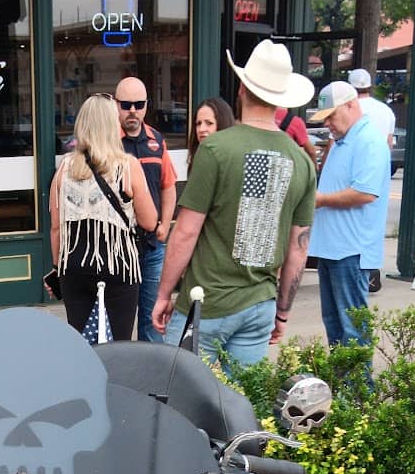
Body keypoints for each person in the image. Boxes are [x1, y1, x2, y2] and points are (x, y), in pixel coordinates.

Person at [151, 42, 315, 366]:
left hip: (207, 302)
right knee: (241, 396)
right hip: (260, 305)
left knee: (182, 391)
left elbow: (185, 233)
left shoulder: (215, 149)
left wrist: (163, 294)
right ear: (281, 98)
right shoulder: (302, 162)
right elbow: (298, 249)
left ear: (241, 88)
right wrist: (282, 312)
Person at [49, 93, 156, 342]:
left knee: (82, 346)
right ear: (112, 125)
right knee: (118, 346)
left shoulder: (64, 167)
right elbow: (149, 221)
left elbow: (56, 228)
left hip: (75, 267)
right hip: (118, 266)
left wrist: (57, 268)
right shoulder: (128, 166)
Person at [307, 80, 390, 347]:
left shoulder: (369, 141)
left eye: (331, 116)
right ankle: (342, 375)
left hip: (351, 251)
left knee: (353, 333)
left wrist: (320, 200)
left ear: (351, 105)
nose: (327, 123)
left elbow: (365, 193)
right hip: (333, 248)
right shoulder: (342, 141)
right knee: (335, 328)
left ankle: (356, 377)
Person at [115, 76, 177, 342]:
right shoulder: (107, 142)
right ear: (115, 104)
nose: (132, 111)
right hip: (118, 249)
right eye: (126, 104)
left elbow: (169, 186)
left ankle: (150, 370)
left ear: (146, 106)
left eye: (138, 105)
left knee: (153, 322)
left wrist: (165, 225)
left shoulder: (156, 140)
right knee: (118, 323)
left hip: (151, 246)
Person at [347, 67, 396, 149]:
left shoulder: (347, 109)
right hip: (379, 156)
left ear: (350, 87)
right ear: (369, 86)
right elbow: (389, 142)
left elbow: (333, 143)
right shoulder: (386, 110)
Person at [186, 97, 234, 174]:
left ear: (223, 125)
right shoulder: (197, 161)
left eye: (209, 123)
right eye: (198, 123)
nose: (201, 129)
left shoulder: (236, 163)